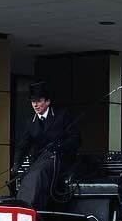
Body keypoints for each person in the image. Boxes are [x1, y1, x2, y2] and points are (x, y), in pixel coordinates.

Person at [11, 80, 81, 211]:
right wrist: (16, 164)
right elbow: (23, 146)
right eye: (33, 102)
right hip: (41, 160)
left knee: (38, 173)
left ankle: (33, 208)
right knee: (28, 174)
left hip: (61, 158)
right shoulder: (30, 123)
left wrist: (60, 146)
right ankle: (22, 208)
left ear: (47, 102)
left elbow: (76, 139)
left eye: (39, 101)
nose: (35, 105)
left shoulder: (62, 116)